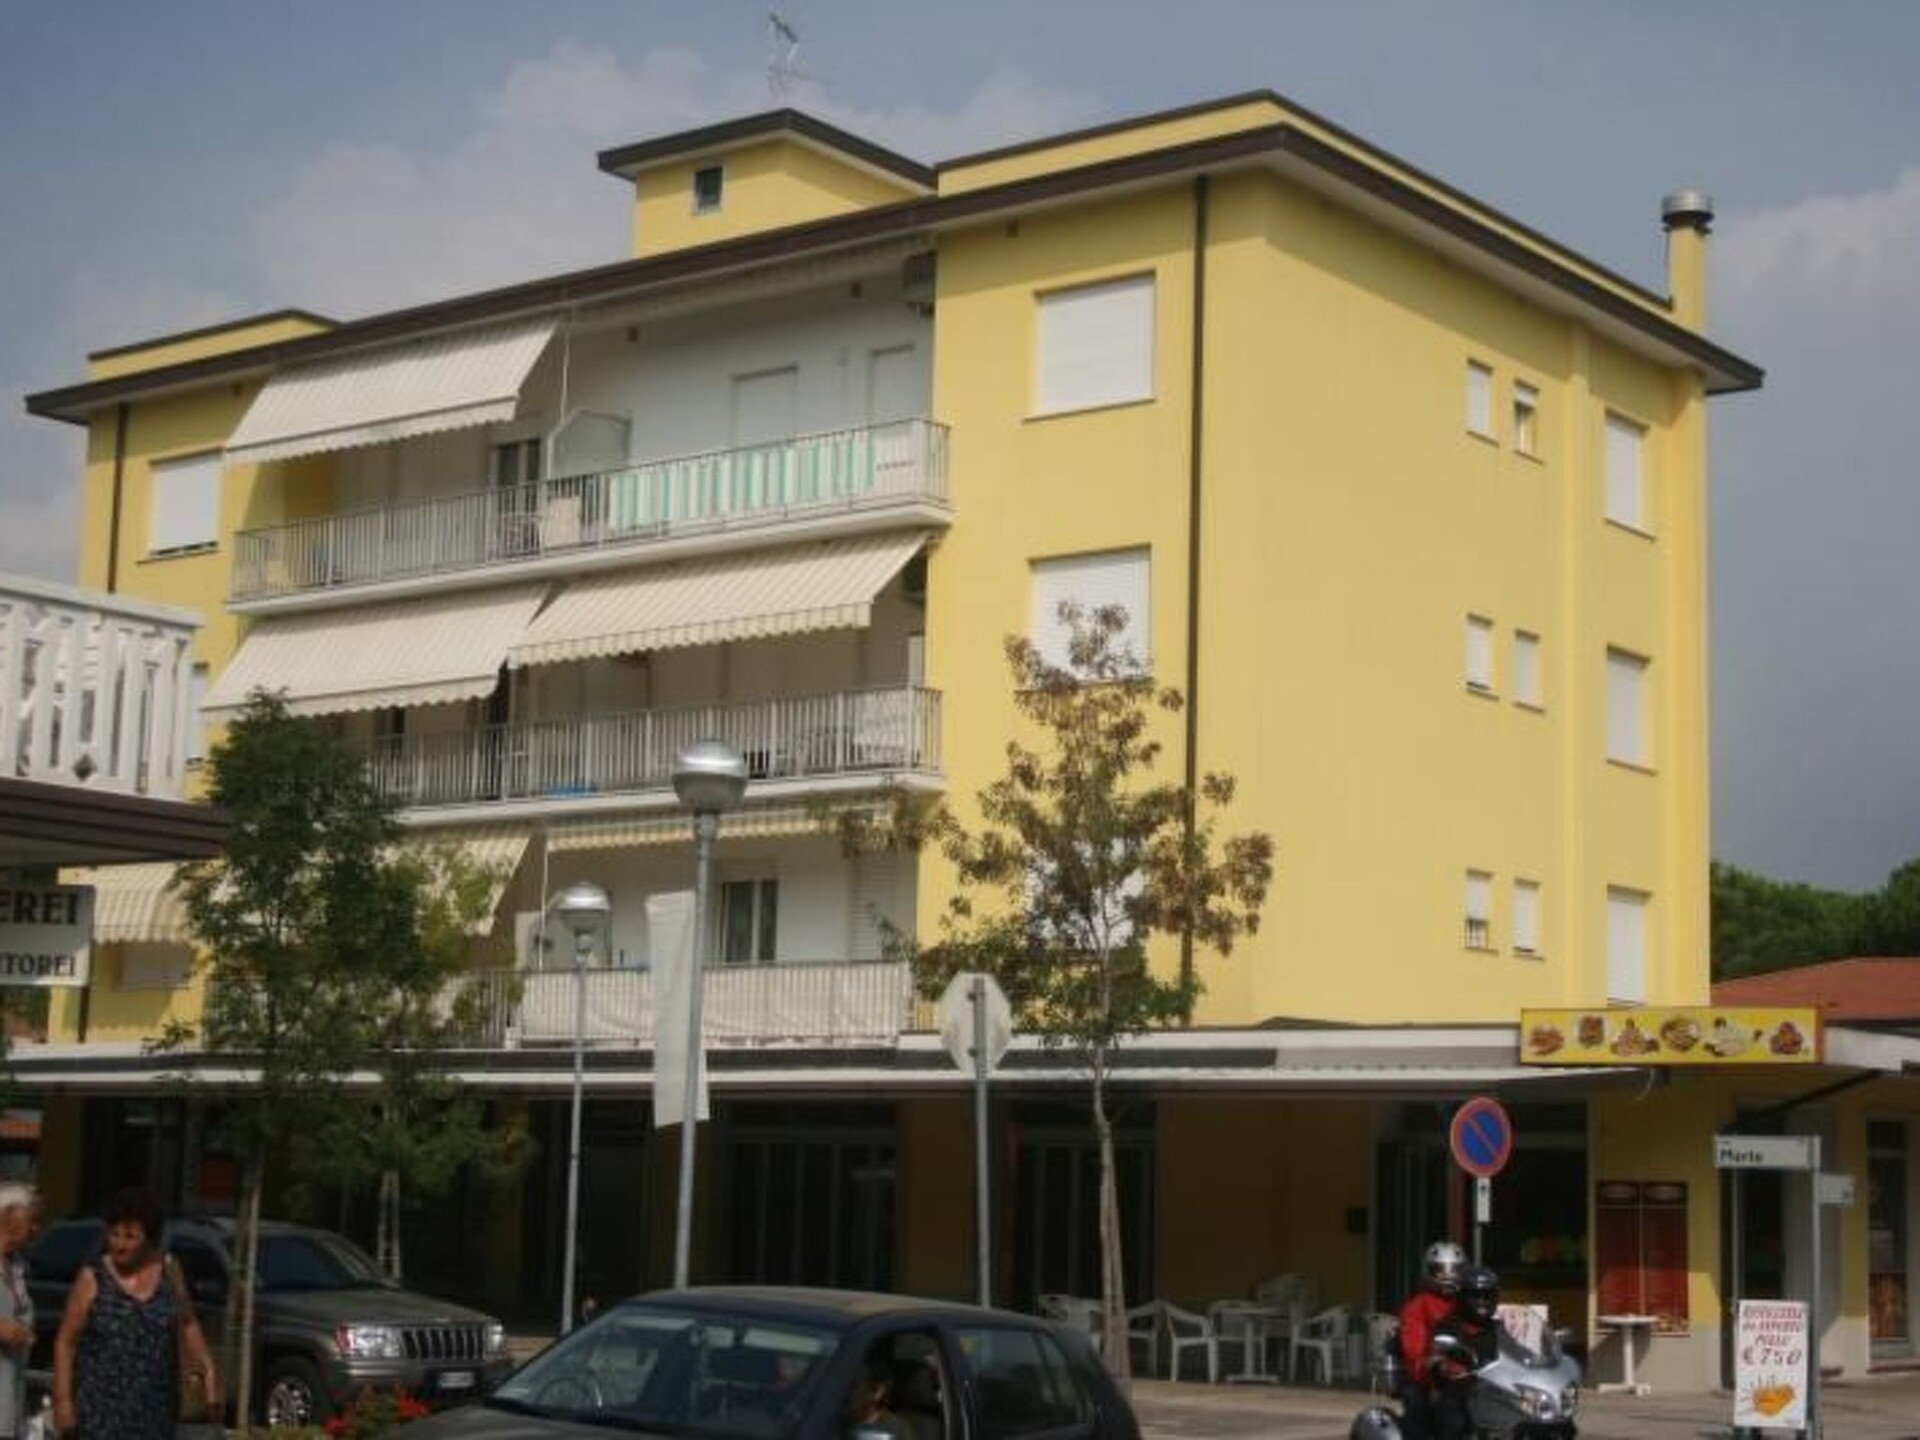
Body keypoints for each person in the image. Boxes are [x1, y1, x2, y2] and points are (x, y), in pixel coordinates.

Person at [51, 1188, 220, 1440]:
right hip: (98, 1412)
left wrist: (208, 1370)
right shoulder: (93, 1277)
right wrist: (63, 1401)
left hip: (156, 1411)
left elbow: (188, 1324)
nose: (119, 1244)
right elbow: (65, 1342)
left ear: (150, 1238)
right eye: (114, 1234)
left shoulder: (169, 1271)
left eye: (130, 1236)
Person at [1394, 1238, 1464, 1440]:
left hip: (1466, 1373)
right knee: (1421, 1409)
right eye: (1440, 1270)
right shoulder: (1416, 1306)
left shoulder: (1468, 1302)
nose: (1447, 1275)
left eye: (1454, 1270)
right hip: (1426, 1375)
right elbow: (1413, 1351)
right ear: (1429, 1272)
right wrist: (1435, 1364)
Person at [1427, 1263, 1503, 1440]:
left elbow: (1518, 1352)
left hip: (1496, 1393)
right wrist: (1445, 1367)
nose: (1482, 1301)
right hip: (1459, 1393)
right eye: (1476, 1295)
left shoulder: (1498, 1328)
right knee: (1454, 1421)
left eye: (1488, 1295)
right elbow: (1434, 1358)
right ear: (1462, 1297)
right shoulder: (1448, 1326)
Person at [0, 1183, 41, 1437]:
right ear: (7, 1216)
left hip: (9, 1401)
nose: (37, 1228)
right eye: (32, 1220)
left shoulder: (18, 1266)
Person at [843, 1352, 909, 1438]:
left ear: (876, 1391)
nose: (847, 1393)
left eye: (853, 1387)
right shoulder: (835, 1420)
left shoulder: (895, 1429)